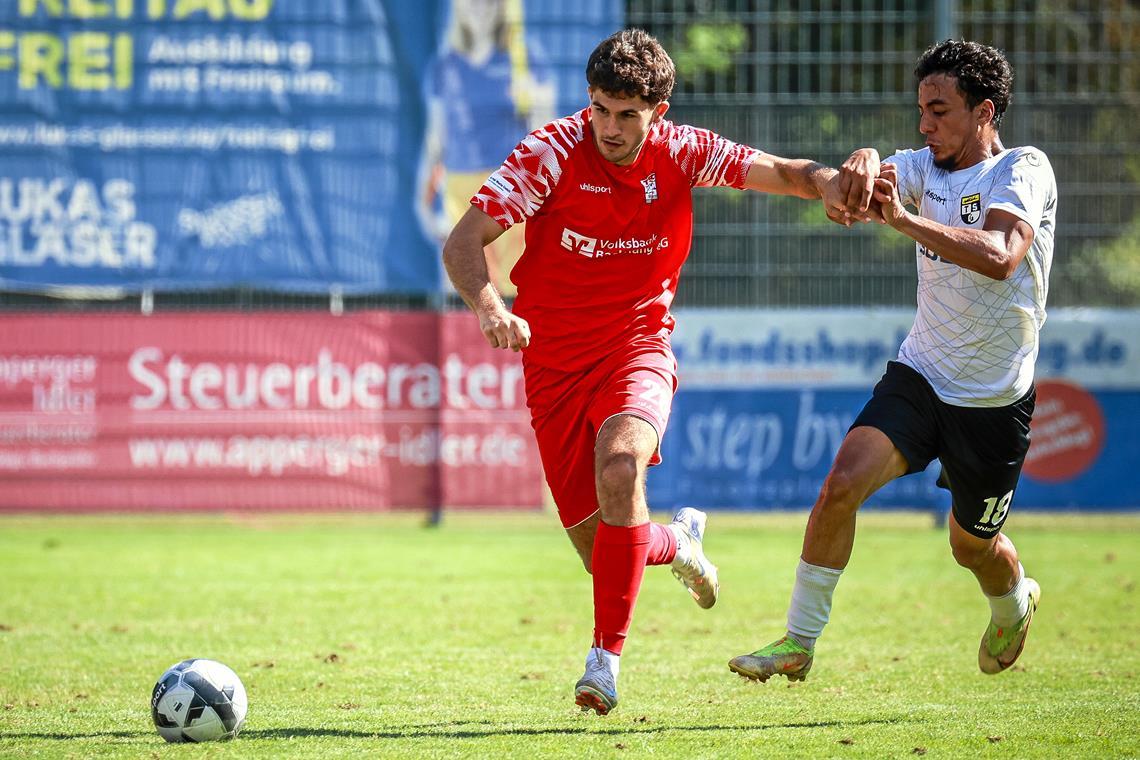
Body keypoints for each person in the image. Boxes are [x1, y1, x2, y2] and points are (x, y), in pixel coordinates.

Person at [443, 28, 861, 715]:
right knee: (602, 548)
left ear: (656, 112)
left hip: (636, 349)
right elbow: (464, 241)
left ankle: (603, 662)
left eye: (627, 115)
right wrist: (489, 306)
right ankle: (679, 542)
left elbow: (783, 172)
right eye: (601, 109)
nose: (610, 127)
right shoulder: (549, 153)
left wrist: (827, 183)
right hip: (550, 364)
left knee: (621, 470)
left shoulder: (684, 150)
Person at [729, 39, 1057, 682]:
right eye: (920, 110)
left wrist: (902, 221)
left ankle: (1014, 600)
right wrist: (859, 167)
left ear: (984, 111)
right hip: (921, 375)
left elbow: (999, 255)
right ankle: (798, 641)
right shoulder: (921, 165)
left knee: (972, 548)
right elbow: (864, 182)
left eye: (939, 111)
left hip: (993, 398)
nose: (924, 124)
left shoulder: (1024, 169)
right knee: (840, 486)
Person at [418, 0, 555, 296]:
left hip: (511, 188)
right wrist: (424, 202)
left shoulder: (525, 58)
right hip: (459, 190)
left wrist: (534, 99)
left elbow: (547, 135)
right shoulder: (444, 66)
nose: (479, 7)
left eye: (488, 2)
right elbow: (435, 140)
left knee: (515, 289)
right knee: (466, 286)